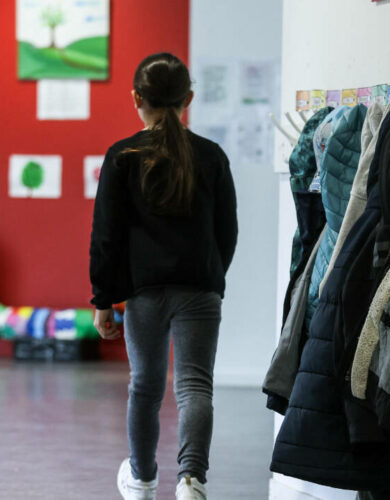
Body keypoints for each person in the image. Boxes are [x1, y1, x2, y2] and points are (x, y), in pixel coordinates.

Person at [89, 52, 238, 500]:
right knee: (195, 387)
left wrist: (102, 300)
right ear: (188, 98)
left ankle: (141, 478)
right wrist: (212, 277)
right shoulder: (211, 157)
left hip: (144, 293)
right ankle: (191, 480)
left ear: (136, 98)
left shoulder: (122, 157)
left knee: (145, 386)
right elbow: (226, 231)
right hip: (199, 288)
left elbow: (105, 237)